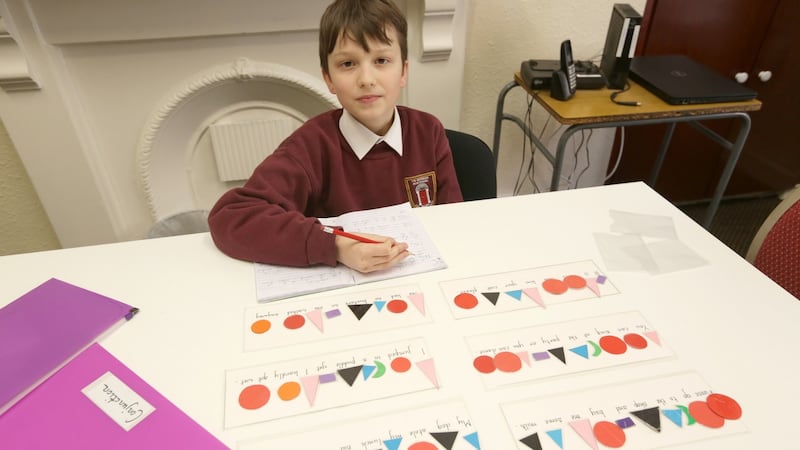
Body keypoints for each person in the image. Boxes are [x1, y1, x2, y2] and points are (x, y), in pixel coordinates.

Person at [208, 0, 463, 273]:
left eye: (381, 60)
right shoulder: (310, 146)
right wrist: (336, 246)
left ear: (403, 71)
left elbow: (454, 221)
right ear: (328, 78)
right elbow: (231, 217)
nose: (366, 79)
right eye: (348, 63)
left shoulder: (428, 131)